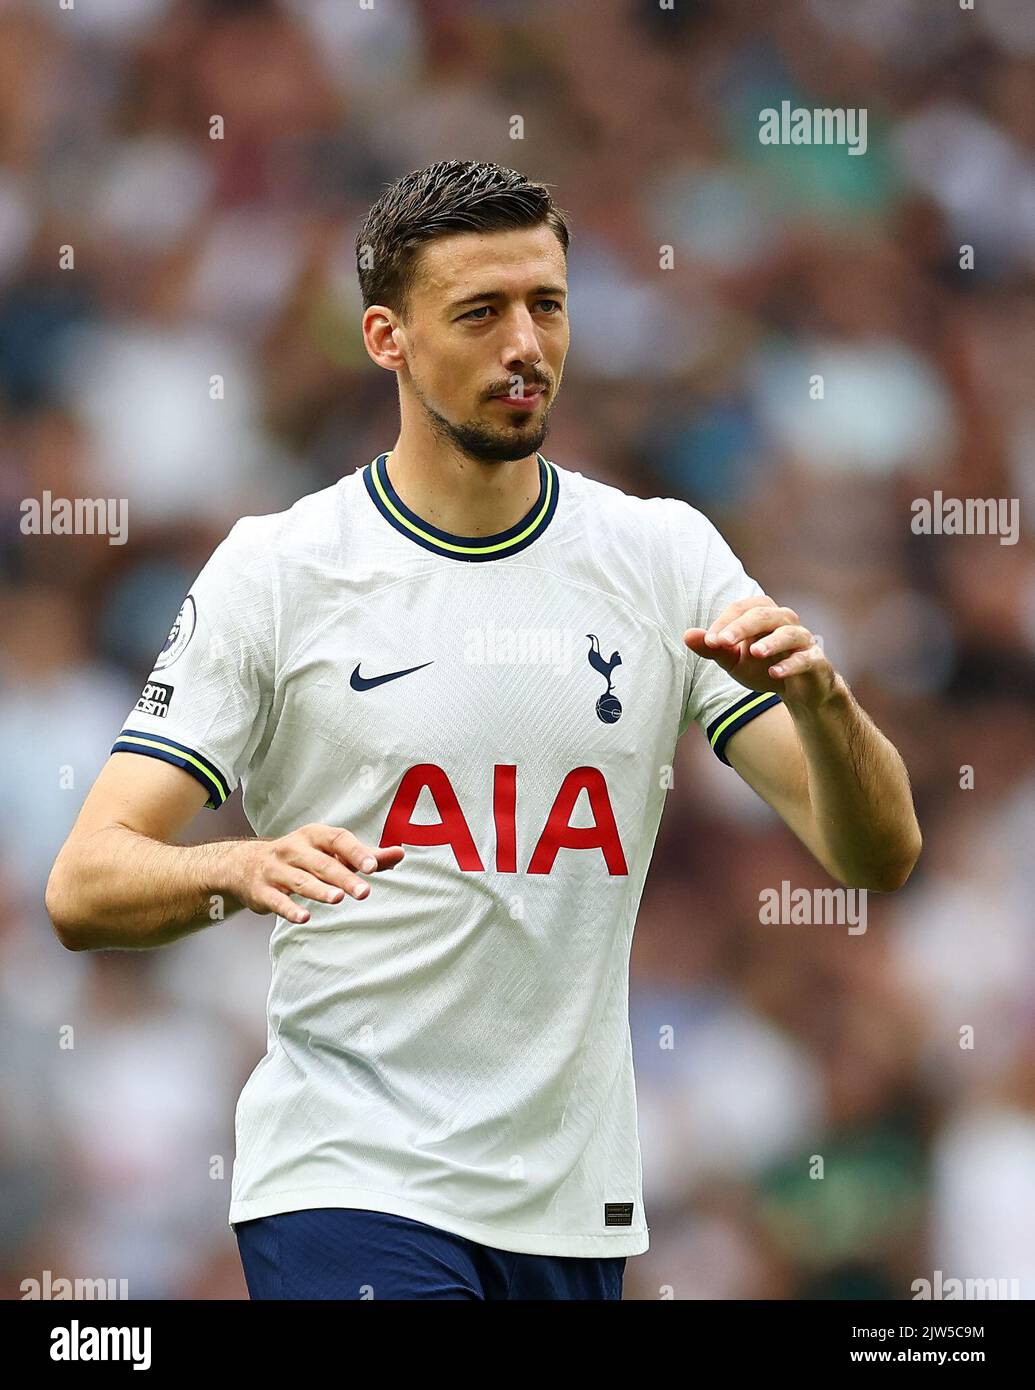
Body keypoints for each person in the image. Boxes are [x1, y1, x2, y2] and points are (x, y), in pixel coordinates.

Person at [45, 160, 922, 1301]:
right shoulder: (282, 570)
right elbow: (83, 883)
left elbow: (878, 852)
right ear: (386, 338)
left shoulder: (662, 556)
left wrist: (827, 702)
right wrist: (240, 864)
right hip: (350, 1178)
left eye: (547, 305)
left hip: (571, 1200)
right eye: (480, 312)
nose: (526, 344)